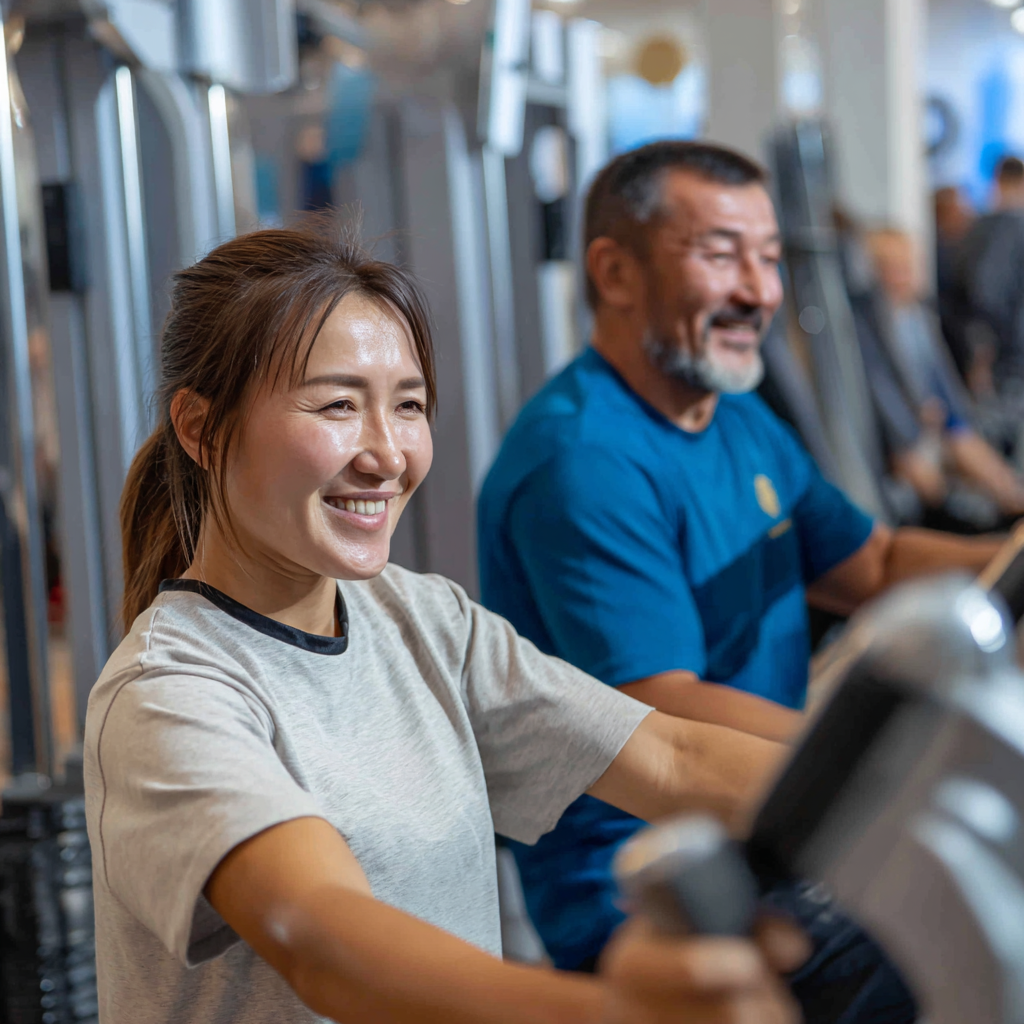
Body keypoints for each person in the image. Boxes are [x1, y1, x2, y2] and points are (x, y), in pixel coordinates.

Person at [83, 224, 805, 1024]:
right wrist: (612, 1012)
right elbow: (318, 933)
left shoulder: (422, 617)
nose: (387, 454)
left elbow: (671, 758)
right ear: (199, 428)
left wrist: (893, 787)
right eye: (336, 406)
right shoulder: (169, 693)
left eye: (409, 406)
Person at [477, 141, 1005, 1016]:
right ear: (614, 271)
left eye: (766, 257)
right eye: (721, 255)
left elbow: (870, 562)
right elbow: (666, 710)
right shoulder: (585, 460)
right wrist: (890, 756)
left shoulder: (734, 416)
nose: (761, 293)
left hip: (778, 825)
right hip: (658, 885)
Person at [858, 227, 1024, 521]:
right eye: (892, 269)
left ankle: (1012, 502)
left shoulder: (920, 318)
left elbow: (944, 385)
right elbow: (879, 390)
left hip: (939, 421)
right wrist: (916, 418)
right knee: (932, 470)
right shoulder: (867, 328)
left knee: (966, 440)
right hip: (904, 433)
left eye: (906, 268)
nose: (902, 277)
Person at [952, 155, 1024, 391]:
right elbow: (988, 290)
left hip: (980, 339)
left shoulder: (978, 225)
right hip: (1007, 350)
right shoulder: (1012, 226)